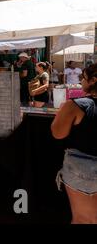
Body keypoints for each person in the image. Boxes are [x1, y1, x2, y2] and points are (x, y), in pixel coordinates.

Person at [51, 63, 97, 224]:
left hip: (83, 166)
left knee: (83, 219)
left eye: (83, 78)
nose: (80, 82)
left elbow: (58, 133)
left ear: (93, 81)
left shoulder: (76, 105)